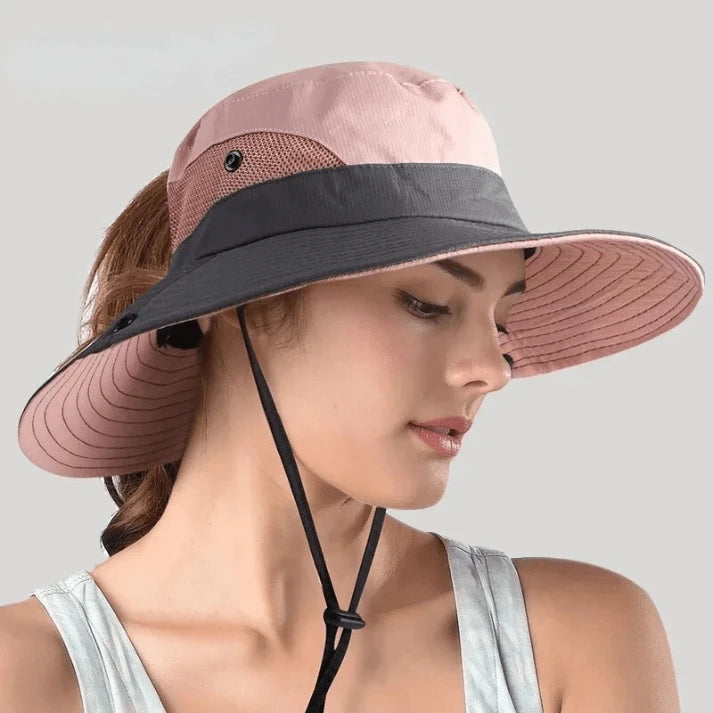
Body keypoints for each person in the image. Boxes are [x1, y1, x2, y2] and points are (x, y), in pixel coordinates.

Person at [2, 60, 704, 713]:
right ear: (236, 303)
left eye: (500, 322)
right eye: (427, 303)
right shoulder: (25, 674)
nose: (490, 370)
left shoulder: (573, 637)